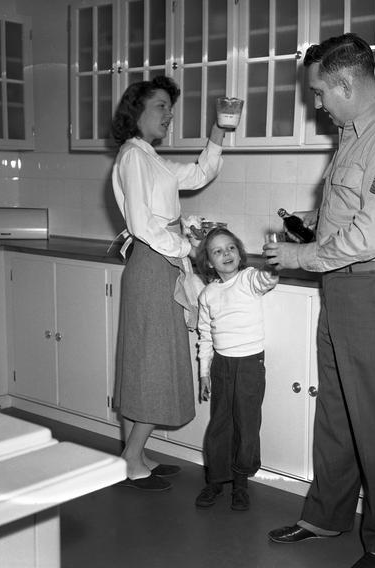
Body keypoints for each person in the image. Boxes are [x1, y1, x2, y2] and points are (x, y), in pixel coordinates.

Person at [262, 33, 375, 568]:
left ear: (346, 83)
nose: (317, 103)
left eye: (320, 93)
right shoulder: (352, 134)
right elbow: (352, 212)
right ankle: (326, 516)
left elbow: (373, 236)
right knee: (337, 414)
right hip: (345, 289)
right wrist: (311, 225)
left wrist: (301, 256)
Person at [111, 76, 232, 491]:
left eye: (170, 107)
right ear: (136, 111)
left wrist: (220, 129)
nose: (169, 114)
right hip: (153, 264)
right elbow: (142, 224)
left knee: (145, 358)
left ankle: (135, 454)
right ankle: (130, 457)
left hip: (159, 264)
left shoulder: (151, 159)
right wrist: (186, 245)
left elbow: (199, 173)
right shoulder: (132, 157)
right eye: (161, 106)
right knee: (154, 361)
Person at [193, 228, 279, 511]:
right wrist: (204, 372)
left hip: (250, 364)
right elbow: (204, 336)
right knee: (220, 424)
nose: (226, 254)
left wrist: (273, 264)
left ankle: (241, 483)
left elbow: (266, 280)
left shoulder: (248, 279)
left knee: (247, 424)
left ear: (240, 253)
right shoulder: (208, 294)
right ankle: (215, 480)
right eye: (217, 251)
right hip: (221, 365)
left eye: (231, 248)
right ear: (208, 262)